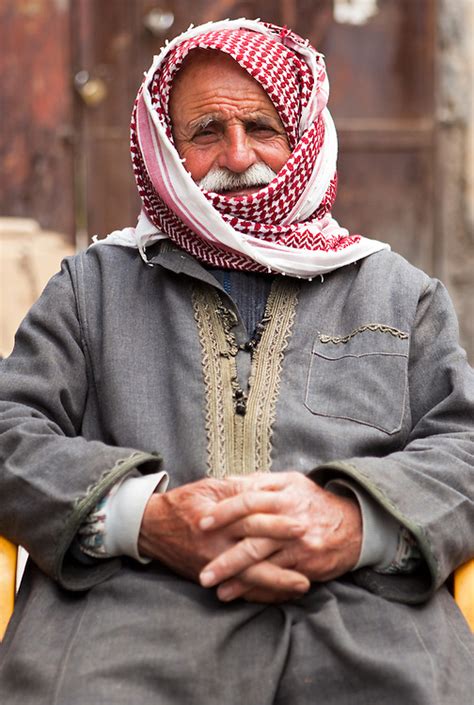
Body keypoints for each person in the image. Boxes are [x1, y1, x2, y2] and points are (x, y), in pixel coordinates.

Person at [0, 18, 472, 705]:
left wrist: (353, 523)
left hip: (365, 624)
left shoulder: (400, 293)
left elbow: (463, 444)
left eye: (263, 127)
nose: (238, 154)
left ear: (304, 137)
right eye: (205, 133)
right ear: (163, 147)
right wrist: (145, 520)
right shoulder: (90, 288)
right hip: (124, 619)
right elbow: (10, 430)